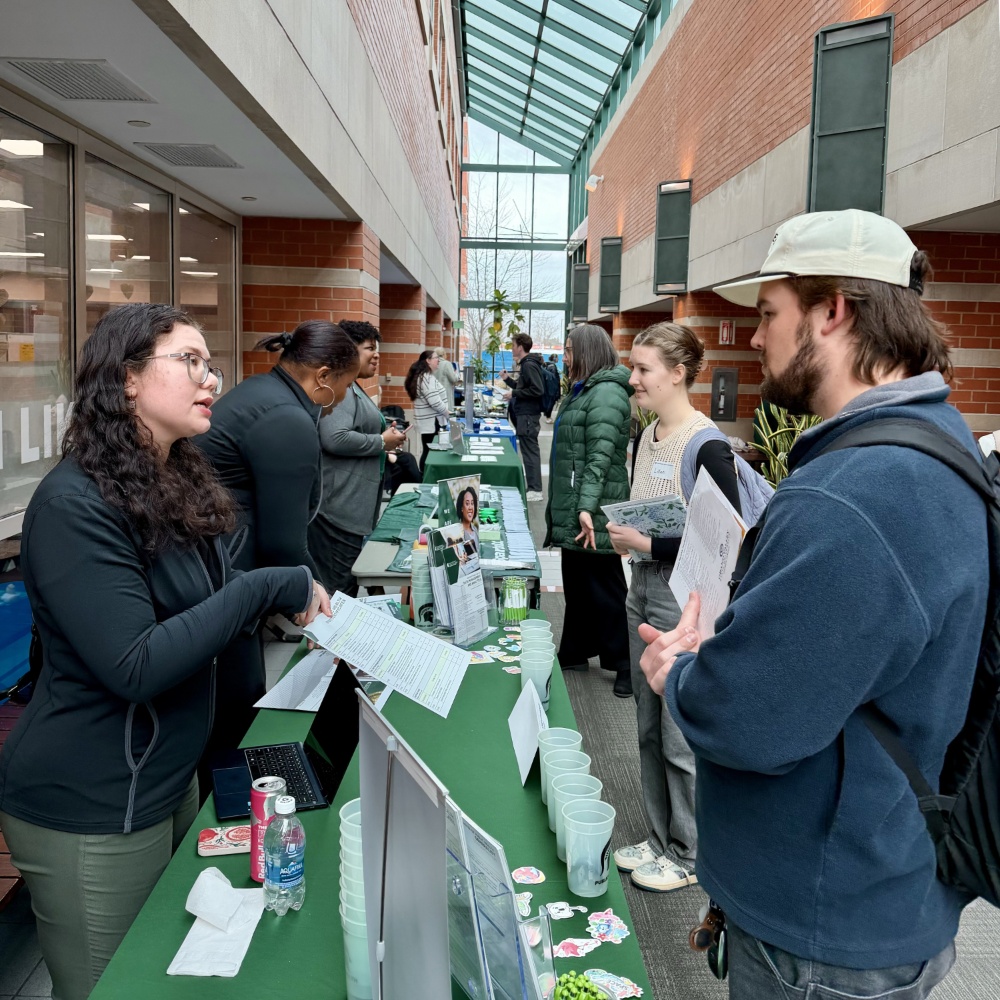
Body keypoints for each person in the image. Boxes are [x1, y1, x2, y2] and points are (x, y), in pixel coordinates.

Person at [638, 209, 987, 998]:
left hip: (827, 927)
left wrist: (681, 670)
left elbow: (748, 719)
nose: (755, 340)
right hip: (884, 883)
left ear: (833, 311)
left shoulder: (854, 496)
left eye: (767, 314)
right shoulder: (941, 447)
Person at [0, 304, 330, 1000]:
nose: (210, 377)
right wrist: (267, 585)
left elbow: (203, 601)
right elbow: (136, 663)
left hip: (168, 775)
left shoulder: (167, 478)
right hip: (93, 799)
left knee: (169, 976)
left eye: (210, 363)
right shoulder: (73, 505)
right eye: (189, 361)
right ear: (125, 380)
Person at [607, 322, 741, 893]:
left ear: (679, 373)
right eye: (633, 368)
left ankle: (688, 853)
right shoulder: (647, 434)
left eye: (643, 370)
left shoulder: (706, 444)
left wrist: (645, 543)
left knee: (677, 733)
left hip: (681, 597)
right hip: (641, 584)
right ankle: (660, 839)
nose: (632, 379)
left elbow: (726, 538)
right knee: (645, 724)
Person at [194, 320, 358, 758]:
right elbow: (284, 543)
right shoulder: (286, 418)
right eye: (346, 383)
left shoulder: (263, 392)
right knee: (237, 705)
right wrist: (328, 613)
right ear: (323, 377)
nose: (342, 397)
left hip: (214, 565)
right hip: (224, 575)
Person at [544, 324, 634, 696]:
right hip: (576, 505)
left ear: (587, 352)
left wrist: (585, 507)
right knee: (579, 584)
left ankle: (626, 663)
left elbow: (598, 458)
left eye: (569, 350)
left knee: (605, 589)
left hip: (593, 509)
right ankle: (575, 650)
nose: (564, 356)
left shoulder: (608, 394)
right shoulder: (584, 390)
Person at [308, 320, 407, 597]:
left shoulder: (353, 387)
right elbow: (333, 437)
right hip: (337, 511)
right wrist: (379, 441)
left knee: (346, 588)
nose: (376, 355)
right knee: (339, 593)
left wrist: (383, 446)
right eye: (368, 349)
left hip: (350, 510)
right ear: (347, 350)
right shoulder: (340, 389)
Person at [499, 333, 544, 502]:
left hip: (528, 415)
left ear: (520, 346)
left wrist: (514, 393)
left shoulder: (528, 366)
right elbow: (523, 386)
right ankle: (533, 487)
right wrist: (508, 380)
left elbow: (537, 390)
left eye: (513, 345)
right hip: (526, 414)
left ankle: (535, 489)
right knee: (528, 451)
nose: (512, 348)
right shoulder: (527, 364)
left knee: (530, 452)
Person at [405, 349, 450, 472]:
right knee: (429, 451)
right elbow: (434, 401)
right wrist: (447, 413)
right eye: (436, 358)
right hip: (431, 421)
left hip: (428, 420)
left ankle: (424, 474)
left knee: (427, 449)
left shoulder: (424, 376)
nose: (438, 361)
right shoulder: (426, 378)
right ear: (428, 361)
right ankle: (425, 476)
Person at [543, 353, 561, 422]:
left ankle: (547, 415)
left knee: (550, 402)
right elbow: (553, 379)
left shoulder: (548, 365)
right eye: (557, 358)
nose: (558, 359)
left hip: (549, 388)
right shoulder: (553, 367)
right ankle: (548, 416)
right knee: (551, 402)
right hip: (552, 389)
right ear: (554, 359)